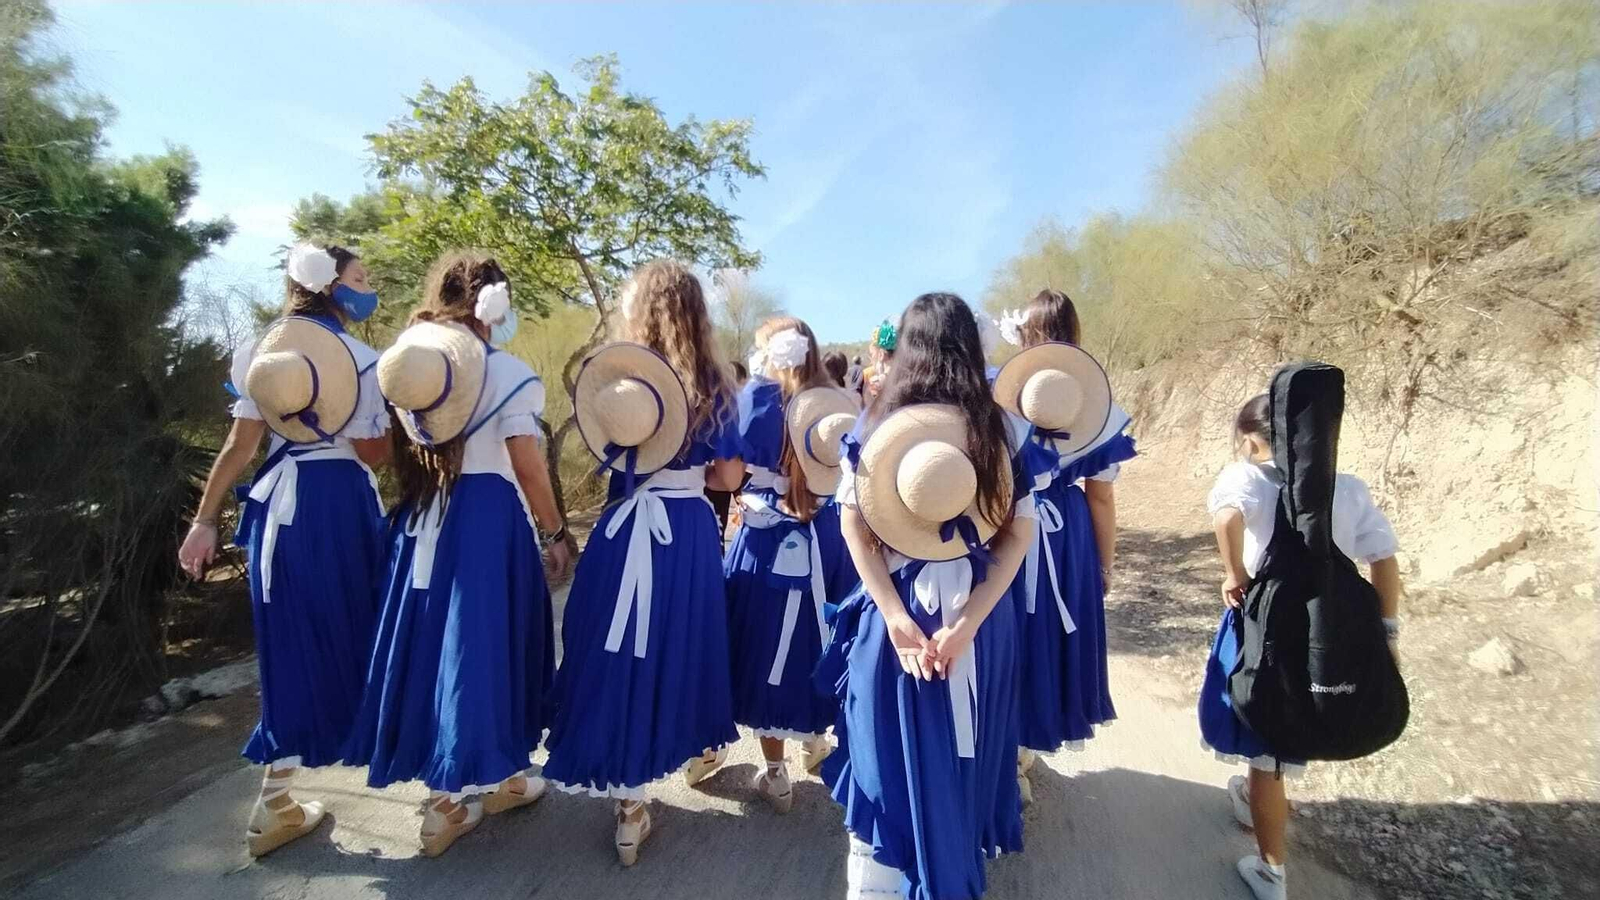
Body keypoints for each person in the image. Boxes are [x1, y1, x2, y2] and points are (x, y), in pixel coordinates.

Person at [343, 252, 575, 857]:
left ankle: (465, 788)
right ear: (491, 303)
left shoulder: (409, 364)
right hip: (486, 519)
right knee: (482, 648)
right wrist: (555, 532)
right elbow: (527, 463)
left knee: (430, 645)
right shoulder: (508, 373)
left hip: (423, 515)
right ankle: (463, 790)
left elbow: (376, 450)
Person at [176, 243, 390, 857]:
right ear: (333, 289)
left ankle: (275, 798)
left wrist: (204, 520)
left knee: (290, 640)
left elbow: (239, 447)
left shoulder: (263, 353)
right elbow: (372, 454)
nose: (367, 285)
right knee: (369, 627)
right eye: (360, 276)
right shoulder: (364, 360)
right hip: (339, 503)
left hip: (275, 508)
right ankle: (430, 781)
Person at [819, 293, 1033, 900]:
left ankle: (882, 885)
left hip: (898, 614)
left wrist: (892, 616)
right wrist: (967, 624)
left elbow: (852, 530)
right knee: (963, 755)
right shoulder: (1001, 431)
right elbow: (1020, 535)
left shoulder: (872, 428)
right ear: (971, 348)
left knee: (883, 755)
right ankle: (947, 873)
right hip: (981, 621)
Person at [542, 259, 744, 867]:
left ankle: (628, 806)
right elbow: (728, 475)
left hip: (621, 526)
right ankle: (690, 747)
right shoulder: (713, 382)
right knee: (679, 647)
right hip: (683, 533)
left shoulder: (619, 379)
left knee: (614, 651)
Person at [1200, 393, 1402, 900]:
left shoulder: (1246, 477)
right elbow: (1384, 560)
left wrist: (1234, 573)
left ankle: (1272, 871)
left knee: (1266, 737)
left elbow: (1226, 519)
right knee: (1295, 716)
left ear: (1251, 439)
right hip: (1330, 624)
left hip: (1266, 621)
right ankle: (1252, 798)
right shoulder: (1349, 489)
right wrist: (1388, 631)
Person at [993, 289, 1136, 801]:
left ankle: (1004, 750)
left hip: (1008, 525)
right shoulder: (1097, 407)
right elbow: (1100, 498)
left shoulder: (1001, 397)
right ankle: (1024, 752)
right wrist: (1103, 563)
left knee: (1008, 635)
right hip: (1066, 534)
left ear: (1025, 337)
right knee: (1050, 634)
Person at [724, 318, 858, 812]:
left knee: (764, 647)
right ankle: (814, 737)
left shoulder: (758, 399)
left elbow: (731, 474)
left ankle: (775, 771)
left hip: (765, 538)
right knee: (816, 638)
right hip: (826, 538)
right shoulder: (835, 402)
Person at [708, 360, 751, 539]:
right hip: (735, 469)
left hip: (718, 472)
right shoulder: (742, 403)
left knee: (717, 525)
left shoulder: (718, 404)